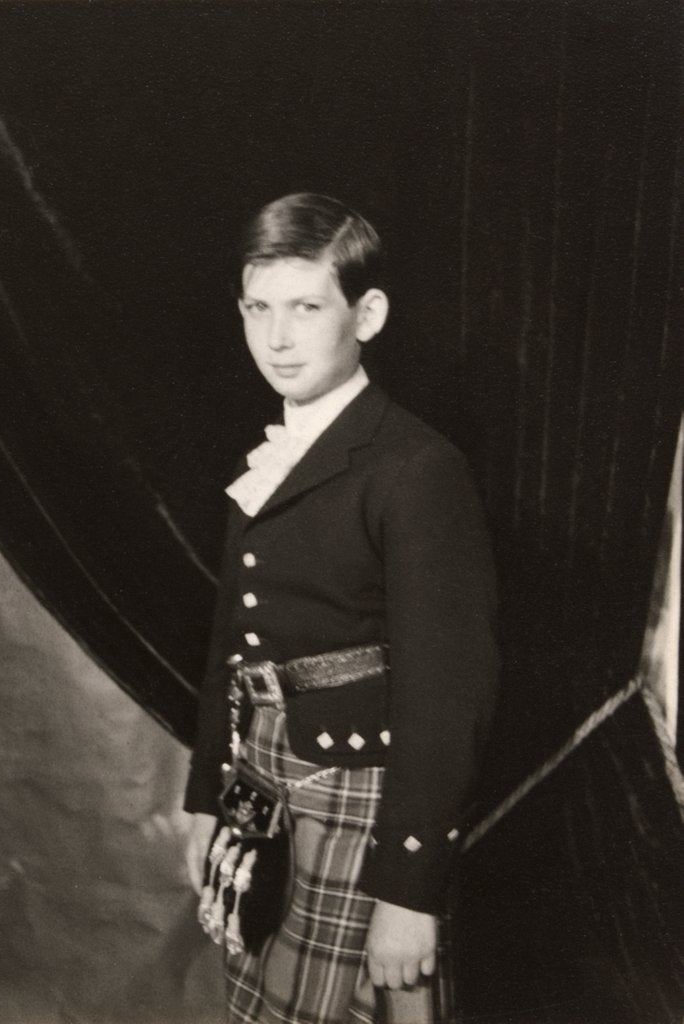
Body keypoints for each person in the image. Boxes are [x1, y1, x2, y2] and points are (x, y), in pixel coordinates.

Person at [183, 193, 498, 1024]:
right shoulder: (272, 454)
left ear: (368, 313)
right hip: (262, 783)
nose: (277, 337)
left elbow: (446, 695)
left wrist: (409, 893)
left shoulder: (416, 467)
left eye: (306, 308)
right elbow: (232, 638)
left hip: (358, 796)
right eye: (258, 308)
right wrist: (205, 799)